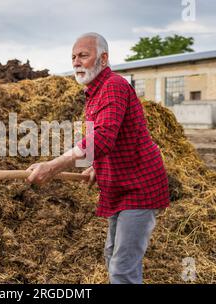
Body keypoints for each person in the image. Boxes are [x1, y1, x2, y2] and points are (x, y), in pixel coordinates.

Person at [26, 32, 170, 284]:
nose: (76, 62)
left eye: (83, 55)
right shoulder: (95, 91)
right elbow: (111, 138)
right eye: (73, 57)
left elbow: (102, 137)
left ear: (103, 58)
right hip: (119, 185)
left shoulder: (113, 85)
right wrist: (96, 167)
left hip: (140, 186)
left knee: (123, 266)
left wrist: (53, 166)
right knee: (112, 255)